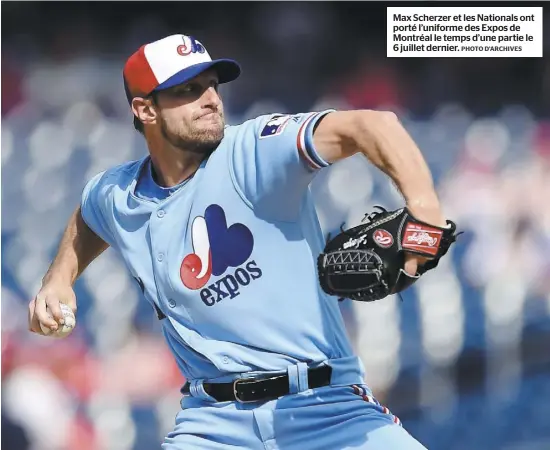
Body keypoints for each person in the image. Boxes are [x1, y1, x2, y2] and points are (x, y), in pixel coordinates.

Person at [28, 34, 446, 449]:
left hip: (326, 407)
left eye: (212, 84)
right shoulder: (116, 194)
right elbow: (89, 218)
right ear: (145, 109)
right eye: (188, 90)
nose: (211, 98)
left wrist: (424, 207)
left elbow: (372, 125)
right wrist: (58, 279)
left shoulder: (254, 150)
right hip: (212, 426)